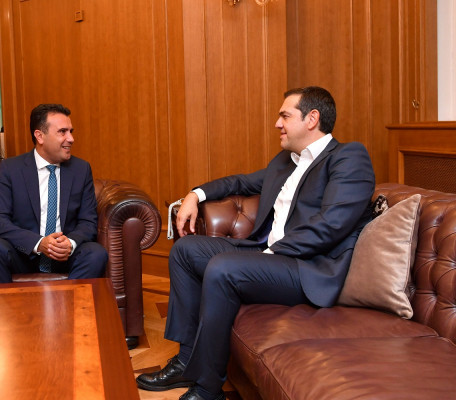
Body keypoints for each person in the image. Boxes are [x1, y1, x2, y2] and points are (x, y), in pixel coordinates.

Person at [136, 86, 375, 400]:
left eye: (285, 116)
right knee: (185, 250)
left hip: (307, 268)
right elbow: (240, 182)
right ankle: (185, 361)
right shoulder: (287, 162)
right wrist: (195, 194)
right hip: (269, 257)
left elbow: (331, 225)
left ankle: (207, 390)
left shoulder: (348, 157)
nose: (277, 123)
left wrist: (270, 253)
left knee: (224, 268)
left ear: (312, 119)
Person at [0, 103, 108, 283]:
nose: (71, 139)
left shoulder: (81, 169)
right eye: (62, 132)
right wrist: (38, 243)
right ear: (39, 136)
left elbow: (88, 221)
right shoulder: (11, 169)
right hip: (24, 254)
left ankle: (68, 300)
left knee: (96, 253)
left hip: (65, 257)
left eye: (71, 131)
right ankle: (5, 303)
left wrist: (70, 243)